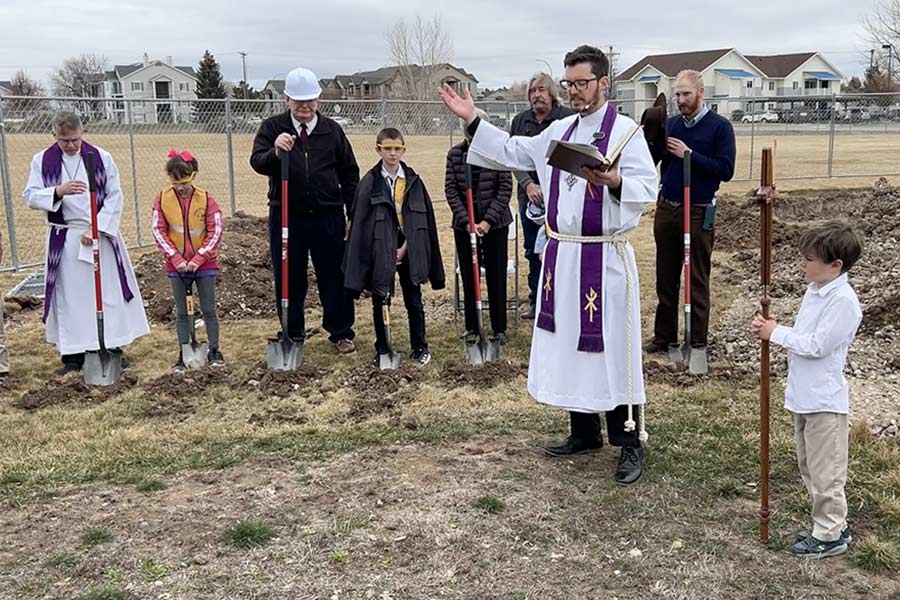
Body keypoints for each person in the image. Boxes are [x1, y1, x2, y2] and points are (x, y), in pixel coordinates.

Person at [438, 45, 658, 484]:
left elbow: (647, 189)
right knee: (572, 341)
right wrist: (472, 118)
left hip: (604, 255)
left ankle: (628, 440)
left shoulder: (627, 134)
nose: (574, 91)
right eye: (569, 83)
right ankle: (583, 431)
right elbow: (512, 151)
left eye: (582, 83)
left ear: (603, 83)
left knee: (612, 347)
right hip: (564, 253)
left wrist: (614, 181)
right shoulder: (558, 132)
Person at [751, 220, 863, 559]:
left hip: (825, 402)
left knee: (826, 469)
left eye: (809, 258)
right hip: (804, 396)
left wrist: (775, 332)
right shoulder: (815, 292)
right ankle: (829, 523)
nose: (803, 263)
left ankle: (830, 534)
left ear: (835, 265)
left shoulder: (844, 302)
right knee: (809, 465)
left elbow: (816, 345)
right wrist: (775, 331)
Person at [22, 111, 149, 373]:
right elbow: (30, 196)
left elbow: (115, 196)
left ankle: (110, 346)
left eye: (75, 140)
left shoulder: (101, 158)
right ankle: (74, 354)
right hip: (65, 238)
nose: (70, 146)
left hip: (98, 236)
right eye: (64, 141)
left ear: (82, 134)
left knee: (107, 294)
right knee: (71, 298)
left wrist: (97, 227)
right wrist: (58, 191)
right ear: (54, 136)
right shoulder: (41, 161)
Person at [250, 66, 359, 354]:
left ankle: (341, 332)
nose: (305, 107)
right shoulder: (272, 128)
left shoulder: (332, 131)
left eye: (310, 100)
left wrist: (353, 214)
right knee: (289, 275)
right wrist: (275, 152)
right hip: (286, 215)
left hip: (328, 216)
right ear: (286, 100)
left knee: (334, 276)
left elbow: (349, 173)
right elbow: (257, 162)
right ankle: (292, 331)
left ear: (318, 100)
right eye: (299, 101)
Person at [646, 70, 736, 366]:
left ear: (700, 93)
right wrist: (652, 136)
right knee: (666, 276)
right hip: (668, 208)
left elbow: (725, 170)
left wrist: (689, 154)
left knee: (696, 277)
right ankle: (664, 337)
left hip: (698, 210)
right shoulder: (670, 125)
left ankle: (697, 340)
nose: (680, 100)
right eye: (677, 94)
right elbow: (651, 159)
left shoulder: (719, 128)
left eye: (686, 94)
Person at [344, 128, 445, 366]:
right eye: (387, 148)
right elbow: (363, 223)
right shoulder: (370, 183)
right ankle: (383, 347)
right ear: (378, 149)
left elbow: (422, 220)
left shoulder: (413, 181)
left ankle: (420, 346)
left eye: (397, 149)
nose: (392, 153)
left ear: (403, 150)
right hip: (381, 247)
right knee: (381, 296)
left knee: (414, 299)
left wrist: (406, 247)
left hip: (408, 246)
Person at [150, 149, 225, 371]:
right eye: (176, 182)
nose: (181, 187)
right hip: (177, 266)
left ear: (194, 176)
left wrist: (200, 258)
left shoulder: (206, 198)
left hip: (205, 265)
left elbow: (216, 229)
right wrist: (175, 257)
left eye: (186, 181)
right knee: (182, 312)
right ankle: (184, 352)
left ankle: (214, 350)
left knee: (209, 309)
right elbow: (158, 229)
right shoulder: (162, 199)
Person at [509, 74, 575, 318]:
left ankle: (564, 302)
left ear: (552, 93)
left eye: (541, 90)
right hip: (531, 201)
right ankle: (537, 301)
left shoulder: (567, 119)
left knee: (563, 250)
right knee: (532, 251)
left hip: (562, 199)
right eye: (532, 91)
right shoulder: (520, 121)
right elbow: (513, 156)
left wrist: (553, 187)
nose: (536, 95)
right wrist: (527, 184)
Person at [445, 108, 513, 344]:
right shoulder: (455, 154)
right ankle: (472, 327)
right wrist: (467, 221)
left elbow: (505, 188)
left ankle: (499, 327)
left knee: (496, 276)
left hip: (495, 225)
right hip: (465, 227)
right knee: (469, 274)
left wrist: (487, 221)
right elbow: (451, 190)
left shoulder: (497, 154)